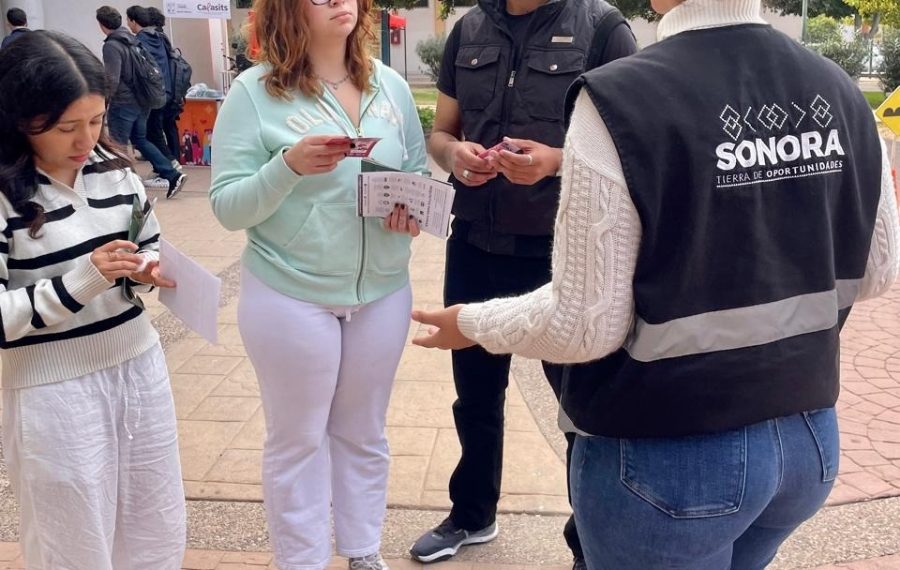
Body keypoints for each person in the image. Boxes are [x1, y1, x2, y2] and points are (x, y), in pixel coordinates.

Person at [410, 0, 900, 567]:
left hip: (670, 458)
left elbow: (584, 325)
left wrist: (471, 323)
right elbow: (878, 269)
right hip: (805, 441)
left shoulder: (620, 96)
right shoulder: (834, 85)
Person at [408, 0, 637, 565]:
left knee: (580, 408)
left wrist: (557, 161)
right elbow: (441, 132)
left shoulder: (603, 29)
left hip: (562, 251)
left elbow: (635, 144)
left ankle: (591, 537)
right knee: (476, 396)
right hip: (475, 245)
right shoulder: (468, 30)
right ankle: (472, 514)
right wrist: (455, 156)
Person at [208, 0, 427, 567]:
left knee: (364, 432)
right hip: (289, 291)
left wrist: (411, 206)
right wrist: (286, 167)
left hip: (382, 290)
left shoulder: (391, 86)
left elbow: (419, 170)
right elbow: (228, 207)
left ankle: (362, 551)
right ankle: (300, 560)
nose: (339, 1)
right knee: (298, 439)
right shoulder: (254, 93)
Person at [0, 30, 185, 569]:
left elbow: (146, 242)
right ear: (19, 117)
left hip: (138, 367)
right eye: (66, 128)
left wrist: (150, 270)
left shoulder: (115, 171)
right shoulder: (8, 195)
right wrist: (84, 281)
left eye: (97, 120)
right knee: (72, 537)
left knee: (154, 522)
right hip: (50, 389)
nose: (86, 140)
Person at [96, 5, 186, 198]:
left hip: (123, 103)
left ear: (102, 25)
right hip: (142, 101)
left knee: (117, 144)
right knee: (140, 139)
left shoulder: (112, 45)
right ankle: (171, 174)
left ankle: (129, 186)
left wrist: (103, 102)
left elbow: (112, 78)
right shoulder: (133, 40)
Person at [144, 6, 185, 168]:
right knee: (169, 124)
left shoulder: (153, 38)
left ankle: (170, 160)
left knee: (159, 128)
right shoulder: (163, 37)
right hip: (172, 88)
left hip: (163, 89)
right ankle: (174, 157)